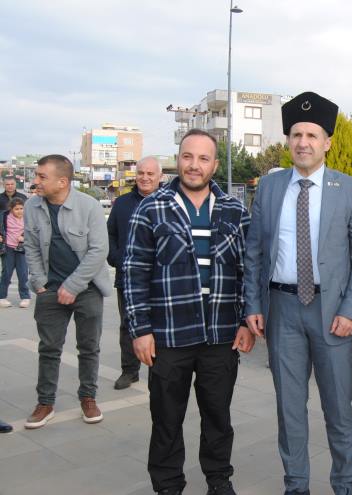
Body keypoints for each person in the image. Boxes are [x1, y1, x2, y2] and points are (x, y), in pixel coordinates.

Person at [244, 91, 352, 495]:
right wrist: (252, 304)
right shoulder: (269, 187)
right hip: (282, 312)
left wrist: (351, 309)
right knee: (289, 409)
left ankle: (344, 486)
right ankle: (296, 485)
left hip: (332, 313)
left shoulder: (349, 189)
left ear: (327, 142)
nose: (303, 143)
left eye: (312, 135)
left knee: (338, 410)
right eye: (296, 135)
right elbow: (254, 252)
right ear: (288, 140)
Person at [123, 129, 252, 495]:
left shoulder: (235, 211)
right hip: (168, 336)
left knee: (218, 417)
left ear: (215, 164)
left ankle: (218, 480)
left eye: (203, 158)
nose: (194, 165)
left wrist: (246, 320)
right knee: (166, 419)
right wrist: (140, 329)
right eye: (188, 156)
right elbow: (134, 271)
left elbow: (248, 270)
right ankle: (167, 485)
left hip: (220, 335)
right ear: (178, 159)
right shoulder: (152, 208)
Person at [23, 154, 111, 429]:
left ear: (62, 182)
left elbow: (99, 251)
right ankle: (45, 402)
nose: (36, 181)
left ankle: (88, 397)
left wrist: (73, 286)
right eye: (37, 175)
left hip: (87, 288)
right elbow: (31, 246)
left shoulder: (89, 206)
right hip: (49, 289)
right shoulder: (32, 206)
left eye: (42, 176)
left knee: (89, 347)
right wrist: (39, 281)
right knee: (49, 348)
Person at [107, 156, 163, 390]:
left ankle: (160, 370)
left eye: (150, 173)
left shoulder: (170, 202)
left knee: (161, 325)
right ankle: (129, 371)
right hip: (128, 278)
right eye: (141, 173)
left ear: (160, 177)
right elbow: (110, 235)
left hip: (161, 279)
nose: (145, 177)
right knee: (128, 325)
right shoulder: (122, 204)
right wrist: (117, 258)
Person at [0, 197, 31, 308]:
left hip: (22, 249)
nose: (19, 211)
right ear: (11, 209)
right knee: (6, 273)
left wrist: (25, 237)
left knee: (23, 274)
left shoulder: (29, 218)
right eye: (16, 209)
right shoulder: (4, 216)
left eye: (21, 208)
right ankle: (2, 297)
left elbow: (35, 232)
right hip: (8, 248)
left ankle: (25, 297)